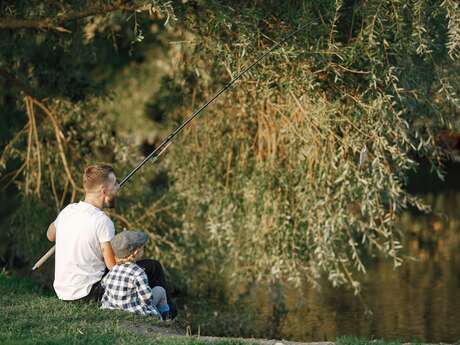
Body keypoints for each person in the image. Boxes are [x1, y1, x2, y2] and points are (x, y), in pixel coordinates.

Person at [46, 164, 177, 315]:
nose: (118, 188)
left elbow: (50, 236)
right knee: (153, 267)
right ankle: (168, 315)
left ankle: (158, 310)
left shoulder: (67, 211)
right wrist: (131, 257)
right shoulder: (102, 221)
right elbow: (112, 266)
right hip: (89, 294)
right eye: (115, 184)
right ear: (104, 191)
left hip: (63, 294)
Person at [101, 230, 172, 320]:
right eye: (142, 248)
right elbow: (147, 298)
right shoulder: (138, 272)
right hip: (134, 311)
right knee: (160, 290)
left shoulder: (113, 269)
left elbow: (104, 284)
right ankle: (166, 319)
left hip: (112, 308)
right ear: (136, 252)